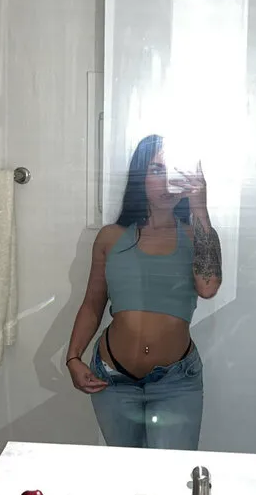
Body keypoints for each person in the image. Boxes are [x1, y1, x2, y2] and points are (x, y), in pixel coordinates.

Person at [66, 134, 222, 449]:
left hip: (176, 383)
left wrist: (200, 208)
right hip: (113, 380)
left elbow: (208, 288)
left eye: (171, 172)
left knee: (171, 474)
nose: (165, 182)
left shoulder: (197, 236)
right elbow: (92, 305)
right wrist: (73, 357)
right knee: (126, 474)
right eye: (155, 170)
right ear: (140, 176)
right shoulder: (110, 237)